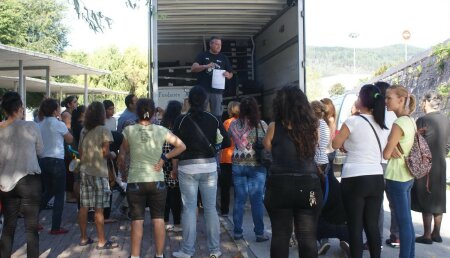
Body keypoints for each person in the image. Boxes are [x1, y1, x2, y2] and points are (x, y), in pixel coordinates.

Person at [118, 98, 186, 258]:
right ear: (154, 112)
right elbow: (182, 146)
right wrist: (164, 158)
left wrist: (123, 172)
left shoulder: (128, 131)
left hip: (135, 180)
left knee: (137, 220)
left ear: (137, 112)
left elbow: (122, 156)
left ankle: (135, 256)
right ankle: (159, 254)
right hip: (156, 180)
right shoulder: (161, 130)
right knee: (158, 219)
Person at [263, 84, 322, 258]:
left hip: (280, 185)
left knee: (280, 235)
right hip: (309, 185)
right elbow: (315, 147)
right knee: (308, 236)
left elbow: (268, 146)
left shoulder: (274, 126)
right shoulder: (313, 126)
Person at [172, 86, 230, 258]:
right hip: (209, 167)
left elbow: (175, 146)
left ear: (189, 101)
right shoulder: (214, 119)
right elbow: (227, 141)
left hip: (187, 167)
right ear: (206, 101)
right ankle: (215, 250)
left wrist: (174, 168)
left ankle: (187, 251)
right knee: (211, 209)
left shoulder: (180, 120)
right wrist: (214, 149)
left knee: (189, 209)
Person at [332, 84, 387, 258]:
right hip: (376, 178)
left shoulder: (352, 121)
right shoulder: (382, 125)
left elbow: (334, 143)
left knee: (355, 226)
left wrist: (344, 144)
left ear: (362, 100)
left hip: (354, 178)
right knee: (372, 225)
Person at [0, 92, 43, 258]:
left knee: (8, 226)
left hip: (6, 181)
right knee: (31, 228)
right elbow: (40, 150)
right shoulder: (31, 127)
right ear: (19, 108)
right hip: (29, 179)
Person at [77, 101, 118, 250]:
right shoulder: (104, 130)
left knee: (84, 206)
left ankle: (83, 238)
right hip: (99, 172)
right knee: (99, 208)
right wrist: (113, 155)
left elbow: (80, 152)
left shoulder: (84, 130)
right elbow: (105, 153)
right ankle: (101, 241)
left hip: (84, 171)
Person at [228, 97, 269, 242]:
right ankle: (259, 233)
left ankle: (238, 232)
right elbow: (266, 143)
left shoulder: (233, 124)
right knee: (256, 201)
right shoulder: (261, 124)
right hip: (256, 165)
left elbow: (228, 139)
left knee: (239, 200)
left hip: (238, 164)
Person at [383, 85, 417, 258]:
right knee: (407, 222)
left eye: (389, 97)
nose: (386, 101)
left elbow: (386, 153)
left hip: (396, 177)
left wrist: (390, 145)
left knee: (403, 224)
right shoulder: (410, 120)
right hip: (408, 176)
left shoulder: (398, 123)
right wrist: (393, 145)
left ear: (401, 100)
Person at [412, 91, 450, 244]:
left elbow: (415, 142)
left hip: (425, 164)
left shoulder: (422, 120)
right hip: (441, 163)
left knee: (425, 197)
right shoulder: (446, 120)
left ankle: (427, 235)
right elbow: (447, 145)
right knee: (438, 199)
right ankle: (437, 233)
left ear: (427, 102)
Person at [38, 98, 73, 235]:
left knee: (48, 191)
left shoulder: (40, 124)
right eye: (58, 108)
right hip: (57, 161)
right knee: (59, 194)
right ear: (54, 111)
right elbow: (70, 139)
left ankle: (33, 219)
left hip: (43, 160)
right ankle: (56, 226)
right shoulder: (59, 124)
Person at [190, 36, 233, 118]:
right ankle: (202, 129)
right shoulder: (202, 55)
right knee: (201, 113)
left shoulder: (224, 58)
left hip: (217, 91)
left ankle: (216, 129)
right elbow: (193, 68)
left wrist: (228, 74)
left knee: (217, 115)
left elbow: (231, 74)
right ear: (210, 44)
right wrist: (206, 66)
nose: (219, 46)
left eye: (220, 44)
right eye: (216, 44)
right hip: (203, 90)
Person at [160, 100, 184, 233]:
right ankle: (177, 222)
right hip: (174, 162)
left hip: (162, 162)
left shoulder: (161, 125)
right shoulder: (179, 125)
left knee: (164, 194)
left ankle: (164, 221)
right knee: (175, 194)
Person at [219, 101, 240, 217]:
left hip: (226, 157)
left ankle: (224, 210)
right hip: (239, 157)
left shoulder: (227, 122)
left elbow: (222, 139)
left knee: (225, 186)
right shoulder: (244, 122)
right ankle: (238, 209)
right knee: (238, 186)